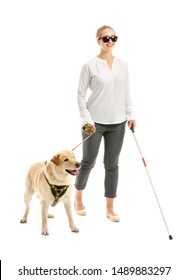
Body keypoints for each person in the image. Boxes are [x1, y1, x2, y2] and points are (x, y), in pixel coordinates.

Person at [74, 25, 136, 222]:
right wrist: (87, 120)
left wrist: (131, 114)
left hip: (118, 123)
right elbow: (80, 95)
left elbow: (126, 93)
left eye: (113, 38)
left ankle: (110, 208)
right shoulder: (89, 65)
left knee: (112, 165)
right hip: (94, 123)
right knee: (87, 162)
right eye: (106, 38)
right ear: (98, 40)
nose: (110, 41)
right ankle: (78, 198)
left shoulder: (123, 65)